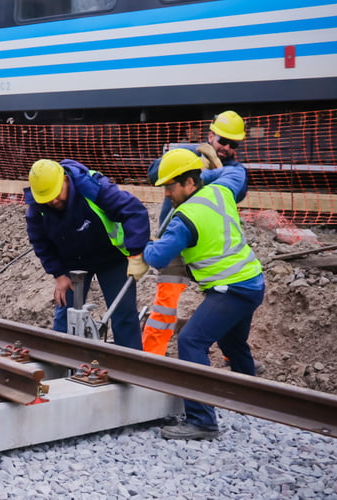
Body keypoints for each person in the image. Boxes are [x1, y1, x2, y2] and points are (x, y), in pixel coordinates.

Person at [144, 149, 264, 440]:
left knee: (191, 341)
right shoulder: (221, 190)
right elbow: (237, 171)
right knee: (232, 342)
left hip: (231, 290)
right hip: (251, 282)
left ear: (189, 183)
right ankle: (253, 400)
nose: (167, 194)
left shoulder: (184, 219)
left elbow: (158, 257)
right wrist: (205, 171)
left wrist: (140, 247)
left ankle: (202, 421)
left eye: (170, 186)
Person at [143, 110, 249, 355]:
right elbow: (153, 173)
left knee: (225, 303)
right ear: (211, 135)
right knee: (165, 307)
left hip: (208, 249)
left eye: (233, 144)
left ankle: (232, 355)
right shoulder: (188, 153)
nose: (227, 148)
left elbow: (237, 192)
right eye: (223, 141)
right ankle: (150, 358)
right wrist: (194, 161)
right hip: (175, 242)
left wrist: (203, 174)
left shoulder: (234, 169)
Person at [25, 159, 150, 349]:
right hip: (73, 263)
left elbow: (134, 211)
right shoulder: (38, 206)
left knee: (123, 314)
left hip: (111, 258)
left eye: (56, 194)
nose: (53, 201)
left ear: (65, 180)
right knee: (66, 316)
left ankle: (131, 364)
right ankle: (60, 361)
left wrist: (136, 253)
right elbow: (40, 241)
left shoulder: (93, 188)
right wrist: (59, 274)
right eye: (47, 199)